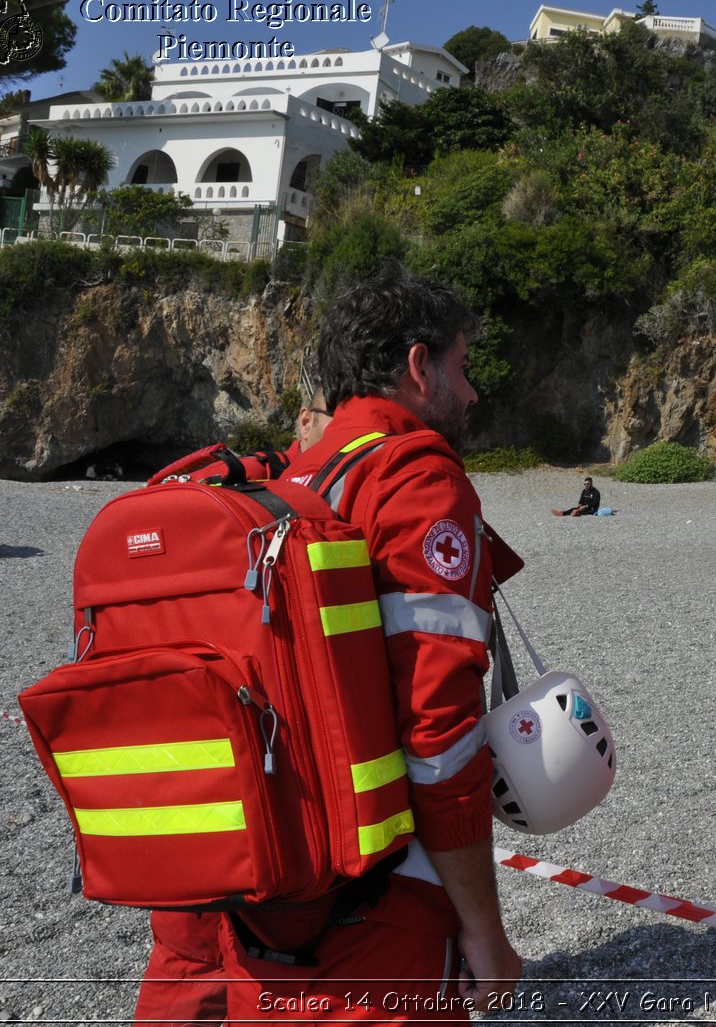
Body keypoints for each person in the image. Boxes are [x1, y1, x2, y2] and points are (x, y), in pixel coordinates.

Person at [212, 268, 520, 1021]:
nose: (472, 391)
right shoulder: (413, 479)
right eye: (462, 366)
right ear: (418, 366)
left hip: (261, 896)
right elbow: (439, 737)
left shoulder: (286, 479)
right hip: (380, 906)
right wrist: (485, 929)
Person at [132, 381, 336, 1026]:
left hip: (178, 758)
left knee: (187, 951)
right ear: (305, 417)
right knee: (252, 955)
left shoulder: (220, 486)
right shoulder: (290, 498)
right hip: (265, 774)